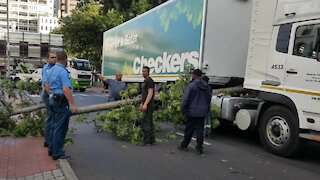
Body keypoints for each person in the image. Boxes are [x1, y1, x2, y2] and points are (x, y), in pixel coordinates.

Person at [48, 51, 78, 160]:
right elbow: (66, 89)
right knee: (60, 128)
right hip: (61, 102)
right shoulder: (63, 72)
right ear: (65, 59)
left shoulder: (51, 70)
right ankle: (57, 153)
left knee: (53, 125)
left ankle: (51, 148)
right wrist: (73, 105)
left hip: (52, 99)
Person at [178, 69, 212, 154]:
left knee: (189, 129)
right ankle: (199, 148)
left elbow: (185, 99)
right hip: (202, 112)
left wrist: (184, 110)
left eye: (192, 75)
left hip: (192, 111)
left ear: (195, 75)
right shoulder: (207, 87)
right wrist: (206, 109)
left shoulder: (192, 86)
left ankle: (184, 145)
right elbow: (209, 99)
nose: (191, 76)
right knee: (200, 130)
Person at [42, 52, 56, 148]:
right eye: (52, 57)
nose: (54, 59)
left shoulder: (55, 68)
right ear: (48, 59)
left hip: (52, 95)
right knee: (50, 117)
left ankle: (50, 138)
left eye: (55, 57)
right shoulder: (47, 68)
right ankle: (48, 140)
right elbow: (46, 85)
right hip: (48, 95)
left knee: (52, 117)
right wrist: (51, 96)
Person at [140, 66, 155, 145]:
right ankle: (152, 139)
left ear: (148, 72)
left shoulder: (149, 81)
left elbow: (150, 93)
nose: (143, 73)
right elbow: (144, 94)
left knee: (146, 122)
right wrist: (142, 103)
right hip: (146, 104)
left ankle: (146, 141)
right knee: (149, 122)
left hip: (149, 105)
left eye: (145, 71)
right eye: (142, 71)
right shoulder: (145, 81)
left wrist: (145, 104)